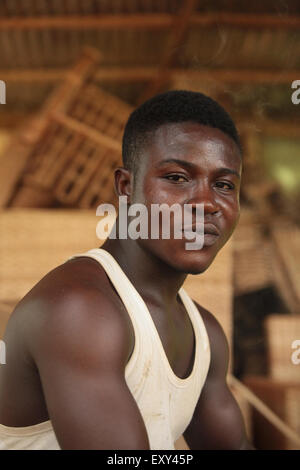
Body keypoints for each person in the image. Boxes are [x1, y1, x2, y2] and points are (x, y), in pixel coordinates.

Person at [0, 90, 254, 450]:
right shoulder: (79, 312)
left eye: (224, 185)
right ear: (125, 187)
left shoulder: (206, 336)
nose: (207, 203)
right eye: (178, 178)